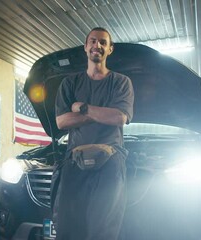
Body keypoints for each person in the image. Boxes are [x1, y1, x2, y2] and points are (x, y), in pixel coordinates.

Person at [53, 27, 134, 240]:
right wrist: (102, 112)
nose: (97, 45)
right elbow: (62, 122)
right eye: (93, 41)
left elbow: (119, 118)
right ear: (85, 46)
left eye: (103, 42)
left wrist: (83, 108)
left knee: (104, 229)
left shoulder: (121, 82)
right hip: (74, 160)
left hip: (111, 161)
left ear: (110, 49)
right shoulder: (69, 83)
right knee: (69, 227)